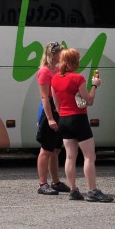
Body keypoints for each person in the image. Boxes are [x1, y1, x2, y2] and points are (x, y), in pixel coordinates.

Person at [49, 48, 112, 202]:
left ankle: (73, 190)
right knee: (89, 156)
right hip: (79, 119)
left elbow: (56, 104)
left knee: (70, 156)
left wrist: (63, 115)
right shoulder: (78, 78)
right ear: (74, 61)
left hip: (63, 119)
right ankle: (92, 190)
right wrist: (95, 85)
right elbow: (88, 100)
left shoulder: (55, 79)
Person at [35, 41, 70, 195]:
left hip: (59, 110)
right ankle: (42, 184)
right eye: (60, 52)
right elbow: (44, 97)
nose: (62, 55)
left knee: (56, 150)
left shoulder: (56, 69)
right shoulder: (44, 72)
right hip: (49, 111)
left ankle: (55, 182)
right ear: (53, 54)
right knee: (46, 149)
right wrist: (50, 119)